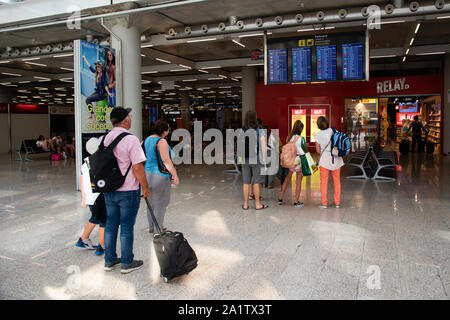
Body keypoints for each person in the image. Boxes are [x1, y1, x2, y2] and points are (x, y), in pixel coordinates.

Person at [102, 107, 150, 274]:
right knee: (127, 226)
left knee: (110, 225)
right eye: (129, 116)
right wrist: (145, 187)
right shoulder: (131, 140)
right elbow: (137, 167)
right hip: (128, 189)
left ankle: (109, 260)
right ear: (126, 120)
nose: (130, 118)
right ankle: (127, 262)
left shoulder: (106, 138)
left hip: (109, 189)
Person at [143, 120, 179, 233]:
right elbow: (166, 160)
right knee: (161, 203)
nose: (169, 131)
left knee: (151, 202)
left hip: (146, 174)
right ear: (164, 131)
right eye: (168, 129)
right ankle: (158, 230)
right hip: (159, 175)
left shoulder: (147, 139)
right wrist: (175, 175)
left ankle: (151, 227)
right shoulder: (161, 141)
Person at [75, 138, 106, 256]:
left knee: (95, 218)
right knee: (104, 220)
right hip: (99, 196)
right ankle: (101, 246)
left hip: (90, 197)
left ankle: (83, 239)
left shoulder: (85, 163)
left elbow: (82, 182)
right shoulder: (99, 162)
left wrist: (84, 198)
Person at [240, 111, 268, 211]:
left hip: (245, 159)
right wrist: (264, 160)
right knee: (256, 182)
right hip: (256, 159)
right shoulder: (260, 130)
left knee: (246, 182)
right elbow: (264, 147)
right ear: (255, 118)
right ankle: (257, 204)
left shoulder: (242, 130)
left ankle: (246, 204)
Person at [315, 116, 344, 209]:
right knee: (337, 181)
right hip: (336, 159)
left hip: (324, 160)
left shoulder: (318, 134)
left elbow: (318, 151)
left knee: (323, 182)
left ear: (318, 125)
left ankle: (324, 203)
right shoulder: (333, 131)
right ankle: (337, 202)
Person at [278, 120, 306, 207]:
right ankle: (296, 201)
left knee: (287, 178)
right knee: (298, 180)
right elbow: (303, 151)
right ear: (301, 129)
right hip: (297, 160)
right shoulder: (301, 139)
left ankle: (280, 198)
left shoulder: (289, 137)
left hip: (290, 160)